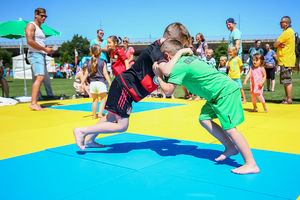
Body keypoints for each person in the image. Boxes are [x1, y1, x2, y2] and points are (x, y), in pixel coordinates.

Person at [73, 22, 190, 150]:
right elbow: (167, 71)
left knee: (111, 117)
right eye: (177, 44)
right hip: (125, 87)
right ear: (170, 39)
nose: (177, 48)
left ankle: (89, 140)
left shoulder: (158, 47)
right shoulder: (159, 52)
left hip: (125, 86)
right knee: (122, 126)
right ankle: (82, 131)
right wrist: (181, 54)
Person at [153, 39, 259, 175]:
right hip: (216, 94)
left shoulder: (179, 66)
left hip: (223, 92)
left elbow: (168, 91)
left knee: (230, 129)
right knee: (204, 118)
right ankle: (230, 147)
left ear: (168, 56)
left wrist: (158, 77)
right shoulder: (189, 57)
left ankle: (251, 163)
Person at [25, 8, 55, 111]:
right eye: (42, 16)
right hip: (35, 54)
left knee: (38, 78)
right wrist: (44, 49)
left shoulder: (40, 28)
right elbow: (29, 41)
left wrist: (47, 50)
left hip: (40, 54)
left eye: (45, 16)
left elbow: (39, 42)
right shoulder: (31, 25)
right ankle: (33, 103)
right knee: (40, 78)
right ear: (36, 15)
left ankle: (35, 101)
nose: (44, 18)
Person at [82, 45, 111, 120]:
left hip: (93, 84)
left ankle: (94, 115)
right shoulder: (102, 62)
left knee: (94, 100)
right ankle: (100, 114)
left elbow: (85, 74)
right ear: (100, 53)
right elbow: (105, 73)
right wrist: (109, 82)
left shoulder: (88, 63)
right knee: (103, 99)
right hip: (101, 83)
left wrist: (82, 83)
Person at [273, 16, 296, 104]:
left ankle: (289, 99)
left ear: (286, 23)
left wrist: (278, 44)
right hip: (287, 59)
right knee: (285, 80)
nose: (280, 23)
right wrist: (279, 44)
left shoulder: (287, 32)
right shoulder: (290, 32)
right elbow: (278, 44)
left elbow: (275, 44)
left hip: (286, 60)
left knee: (287, 80)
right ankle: (287, 98)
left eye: (281, 22)